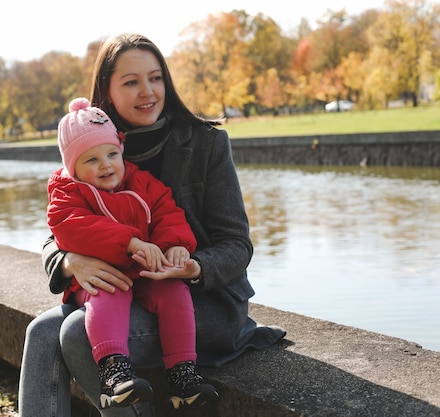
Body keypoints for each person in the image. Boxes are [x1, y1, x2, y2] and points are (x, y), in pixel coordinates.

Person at [18, 33, 287, 417]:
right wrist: (68, 262)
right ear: (106, 93)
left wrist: (194, 267)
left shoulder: (206, 144)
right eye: (131, 82)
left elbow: (237, 245)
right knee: (40, 332)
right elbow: (59, 225)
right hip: (125, 287)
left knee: (75, 332)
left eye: (156, 77)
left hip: (196, 301)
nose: (148, 91)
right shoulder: (91, 146)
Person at [46, 96, 218, 410]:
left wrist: (176, 245)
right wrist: (130, 243)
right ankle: (115, 371)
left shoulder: (141, 182)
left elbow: (168, 213)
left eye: (111, 154)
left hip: (144, 271)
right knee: (109, 293)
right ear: (73, 167)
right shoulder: (68, 192)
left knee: (174, 292)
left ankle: (183, 375)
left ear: (121, 150)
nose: (106, 165)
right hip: (104, 274)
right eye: (91, 160)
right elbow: (69, 227)